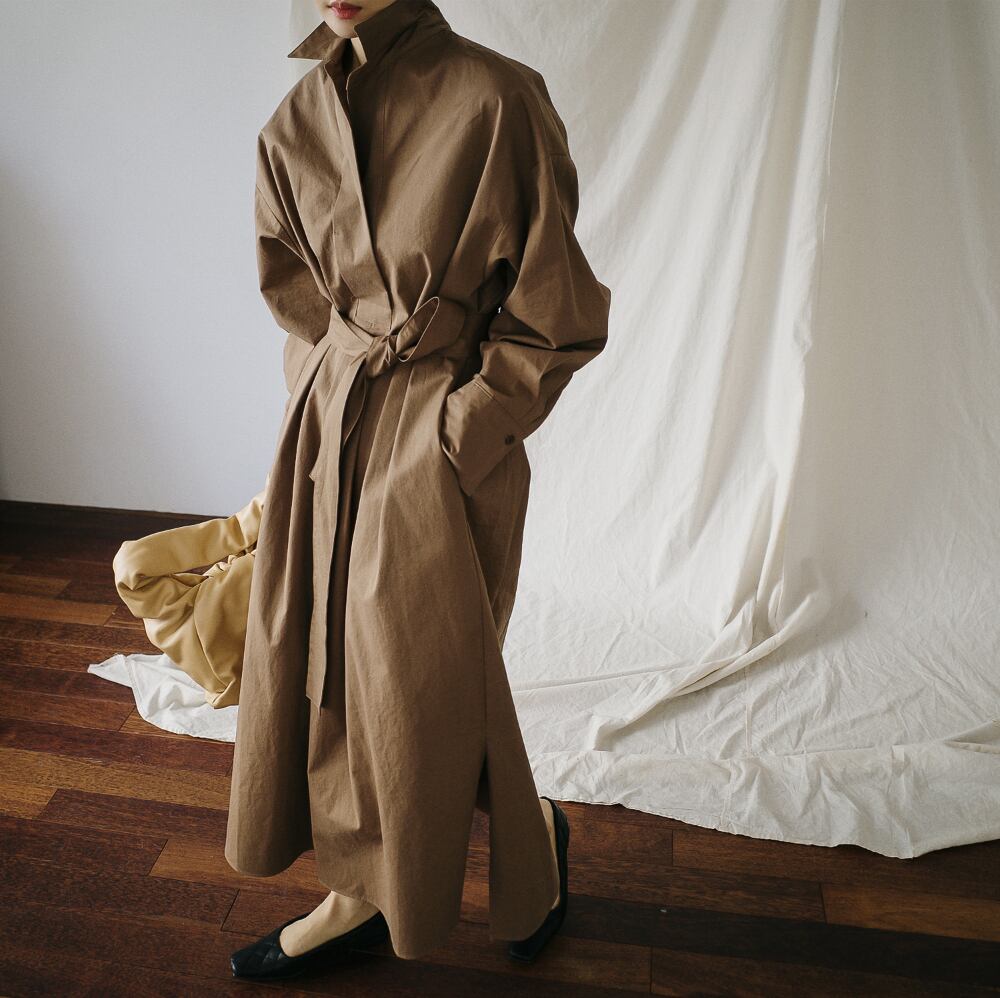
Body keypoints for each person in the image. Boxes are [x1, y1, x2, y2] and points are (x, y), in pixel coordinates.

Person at [226, 0, 611, 980]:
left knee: (426, 680)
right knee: (325, 663)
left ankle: (523, 847)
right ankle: (361, 886)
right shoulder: (294, 121)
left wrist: (454, 430)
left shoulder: (497, 99)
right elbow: (294, 292)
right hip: (328, 428)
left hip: (436, 434)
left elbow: (555, 310)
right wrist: (323, 388)